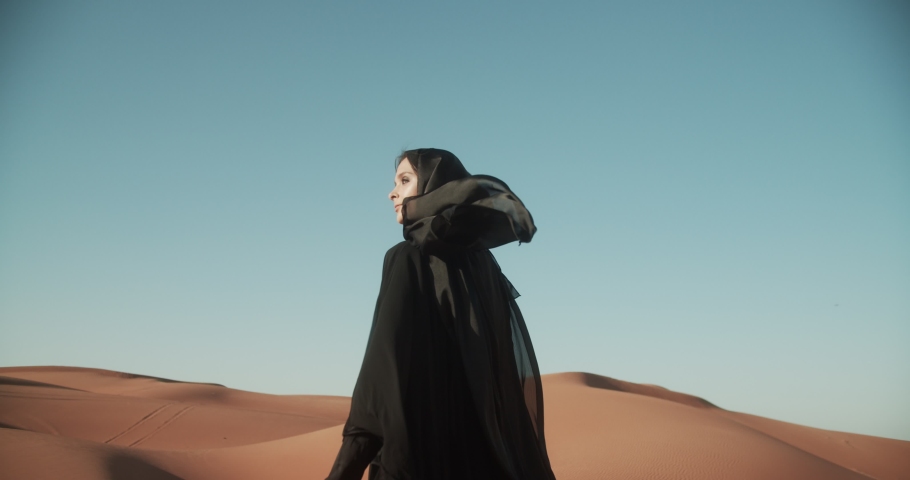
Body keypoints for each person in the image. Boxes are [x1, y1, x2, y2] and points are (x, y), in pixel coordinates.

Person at [325, 148, 557, 480]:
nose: (392, 192)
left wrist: (344, 470)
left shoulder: (408, 257)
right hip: (488, 462)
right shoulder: (486, 268)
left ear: (436, 187)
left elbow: (379, 379)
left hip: (424, 459)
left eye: (405, 181)